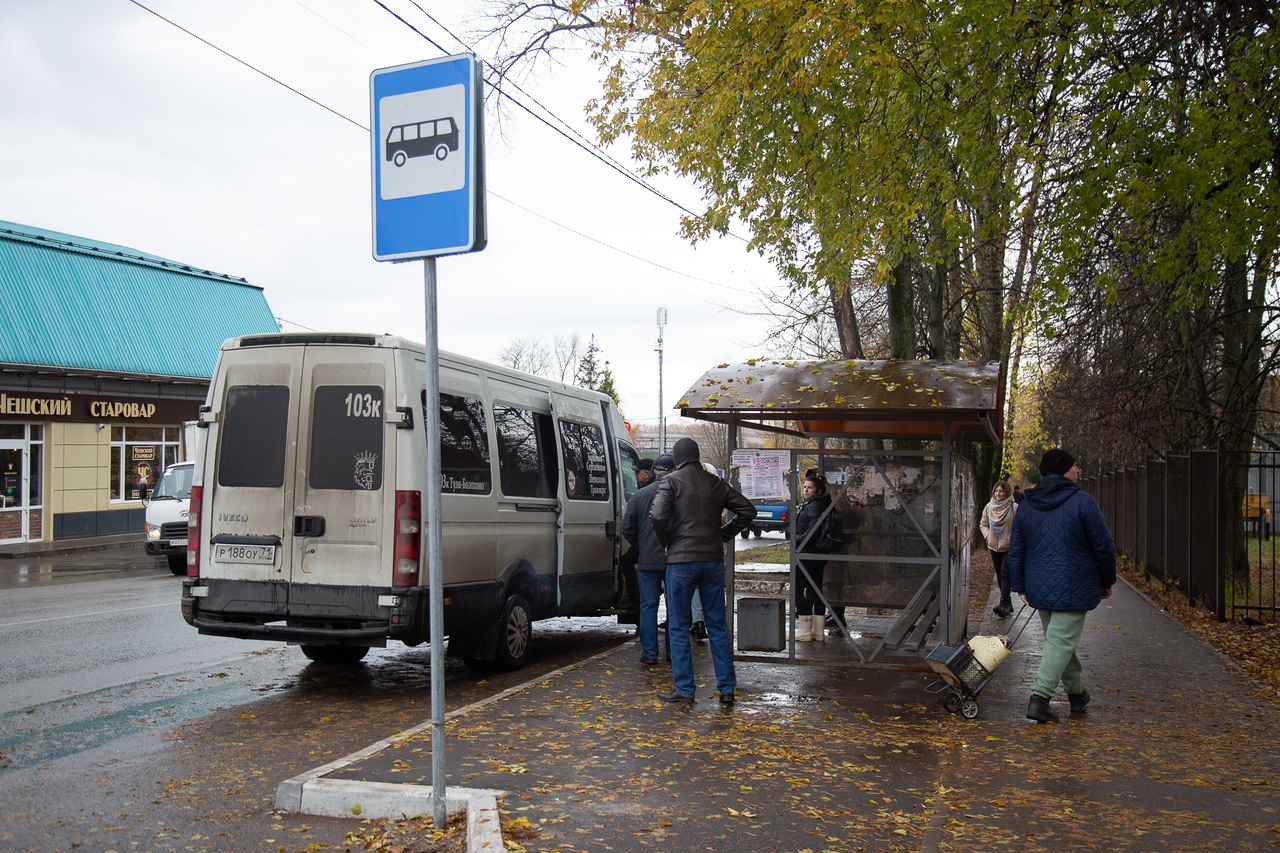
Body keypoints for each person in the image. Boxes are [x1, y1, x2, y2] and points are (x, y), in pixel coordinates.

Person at [1009, 449, 1116, 723]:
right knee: (1059, 643)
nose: (1077, 471)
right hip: (1076, 584)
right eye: (1074, 466)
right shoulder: (1083, 502)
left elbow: (1017, 549)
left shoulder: (1027, 505)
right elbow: (1103, 547)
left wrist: (1020, 586)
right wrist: (1106, 581)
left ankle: (1077, 693)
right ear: (1064, 470)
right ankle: (1039, 700)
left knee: (1059, 642)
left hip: (1038, 586)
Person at [649, 437, 755, 706]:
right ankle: (727, 688)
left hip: (681, 562)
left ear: (676, 460)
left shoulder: (670, 482)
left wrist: (669, 542)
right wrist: (723, 535)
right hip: (711, 560)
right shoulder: (715, 483)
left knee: (679, 626)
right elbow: (747, 510)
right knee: (717, 625)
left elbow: (658, 516)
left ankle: (685, 689)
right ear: (697, 456)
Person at [622, 453, 676, 665]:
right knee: (675, 608)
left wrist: (642, 545)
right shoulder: (679, 495)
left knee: (648, 607)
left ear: (653, 471)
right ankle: (673, 652)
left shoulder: (639, 496)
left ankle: (650, 653)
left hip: (647, 560)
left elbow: (628, 528)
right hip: (674, 560)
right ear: (674, 470)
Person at [793, 474, 833, 642]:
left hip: (809, 552)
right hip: (818, 554)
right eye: (805, 487)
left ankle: (804, 630)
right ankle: (817, 630)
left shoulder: (815, 505)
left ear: (819, 490)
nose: (806, 490)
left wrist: (799, 541)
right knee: (816, 589)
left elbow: (813, 528)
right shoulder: (821, 503)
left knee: (796, 588)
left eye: (810, 487)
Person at [979, 480, 1017, 618]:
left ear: (1006, 492)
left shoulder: (1014, 507)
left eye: (1001, 491)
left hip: (1008, 546)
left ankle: (1002, 603)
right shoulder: (989, 507)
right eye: (996, 491)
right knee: (999, 574)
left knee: (1005, 573)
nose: (998, 493)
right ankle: (1007, 603)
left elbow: (1019, 527)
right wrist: (988, 536)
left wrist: (1014, 541)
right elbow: (983, 524)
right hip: (994, 546)